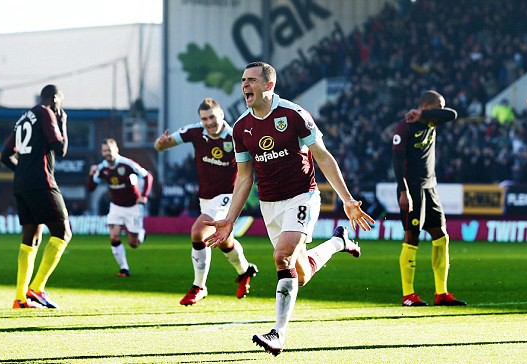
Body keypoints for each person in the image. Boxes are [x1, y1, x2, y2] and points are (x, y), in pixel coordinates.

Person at [204, 62, 375, 356]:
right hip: (270, 204)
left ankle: (278, 334)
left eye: (252, 80)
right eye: (243, 80)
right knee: (301, 272)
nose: (245, 85)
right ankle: (338, 242)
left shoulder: (294, 115)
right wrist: (229, 219)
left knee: (281, 255)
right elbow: (245, 176)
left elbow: (322, 155)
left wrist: (346, 199)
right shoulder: (241, 127)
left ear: (268, 86)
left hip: (302, 197)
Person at [154, 97, 258, 306]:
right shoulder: (194, 132)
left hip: (228, 196)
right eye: (204, 119)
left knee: (198, 232)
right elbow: (161, 146)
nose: (209, 122)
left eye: (212, 117)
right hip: (206, 198)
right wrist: (160, 144)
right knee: (223, 243)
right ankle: (245, 270)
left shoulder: (235, 136)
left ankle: (199, 286)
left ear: (221, 115)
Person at [392, 90, 467, 307]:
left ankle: (441, 293)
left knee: (441, 236)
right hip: (412, 189)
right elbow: (397, 162)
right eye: (438, 106)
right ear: (427, 105)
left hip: (430, 188)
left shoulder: (430, 121)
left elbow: (452, 115)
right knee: (411, 237)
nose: (441, 111)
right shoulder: (405, 126)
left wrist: (424, 116)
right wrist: (402, 191)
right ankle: (408, 295)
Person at [0, 84, 72, 309]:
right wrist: (63, 123)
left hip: (21, 185)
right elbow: (60, 149)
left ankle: (20, 298)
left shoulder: (23, 118)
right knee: (63, 231)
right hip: (42, 182)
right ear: (54, 98)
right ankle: (37, 287)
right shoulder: (46, 112)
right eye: (60, 100)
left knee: (31, 237)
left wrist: (22, 173)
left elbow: (5, 156)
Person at [88, 138, 152, 277]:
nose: (107, 153)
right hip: (116, 206)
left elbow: (148, 176)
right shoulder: (102, 168)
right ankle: (124, 268)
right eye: (105, 151)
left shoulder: (127, 164)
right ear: (102, 152)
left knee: (133, 243)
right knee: (114, 236)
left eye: (109, 150)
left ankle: (141, 234)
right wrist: (91, 174)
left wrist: (144, 195)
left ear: (116, 150)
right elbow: (91, 188)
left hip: (133, 206)